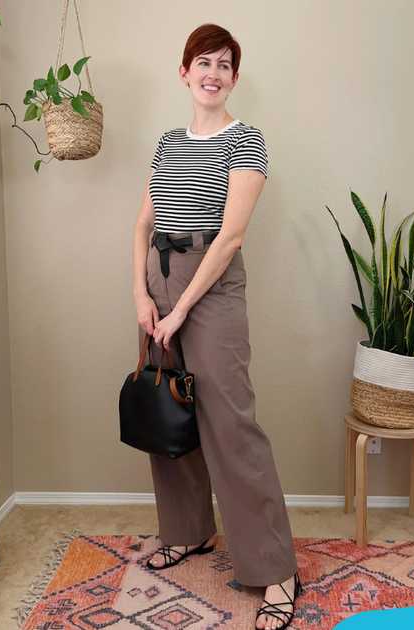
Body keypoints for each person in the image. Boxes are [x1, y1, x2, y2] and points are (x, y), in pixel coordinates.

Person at [130, 23, 302, 630]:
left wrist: (181, 309)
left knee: (231, 425)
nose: (213, 72)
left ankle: (275, 568)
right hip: (160, 282)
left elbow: (229, 237)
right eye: (203, 61)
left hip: (211, 288)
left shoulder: (246, 142)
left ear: (233, 79)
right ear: (184, 72)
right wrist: (142, 293)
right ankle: (189, 533)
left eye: (225, 65)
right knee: (167, 413)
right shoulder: (166, 141)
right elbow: (145, 221)